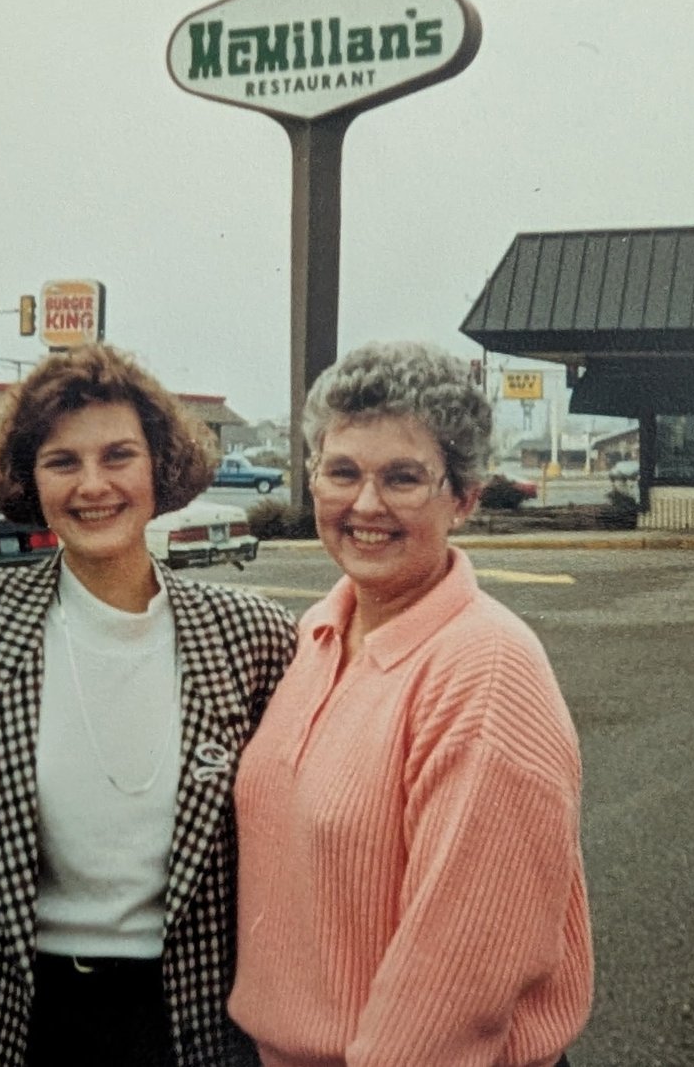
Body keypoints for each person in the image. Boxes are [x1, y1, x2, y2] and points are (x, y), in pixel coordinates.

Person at [0, 343, 297, 1067]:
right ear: (29, 478)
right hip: (11, 1027)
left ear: (160, 465)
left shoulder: (253, 636)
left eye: (119, 456)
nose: (93, 485)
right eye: (62, 461)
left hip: (190, 1025)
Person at [230, 340, 593, 1067]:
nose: (366, 505)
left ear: (463, 498)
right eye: (342, 472)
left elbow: (456, 980)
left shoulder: (486, 669)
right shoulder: (318, 633)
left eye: (403, 478)